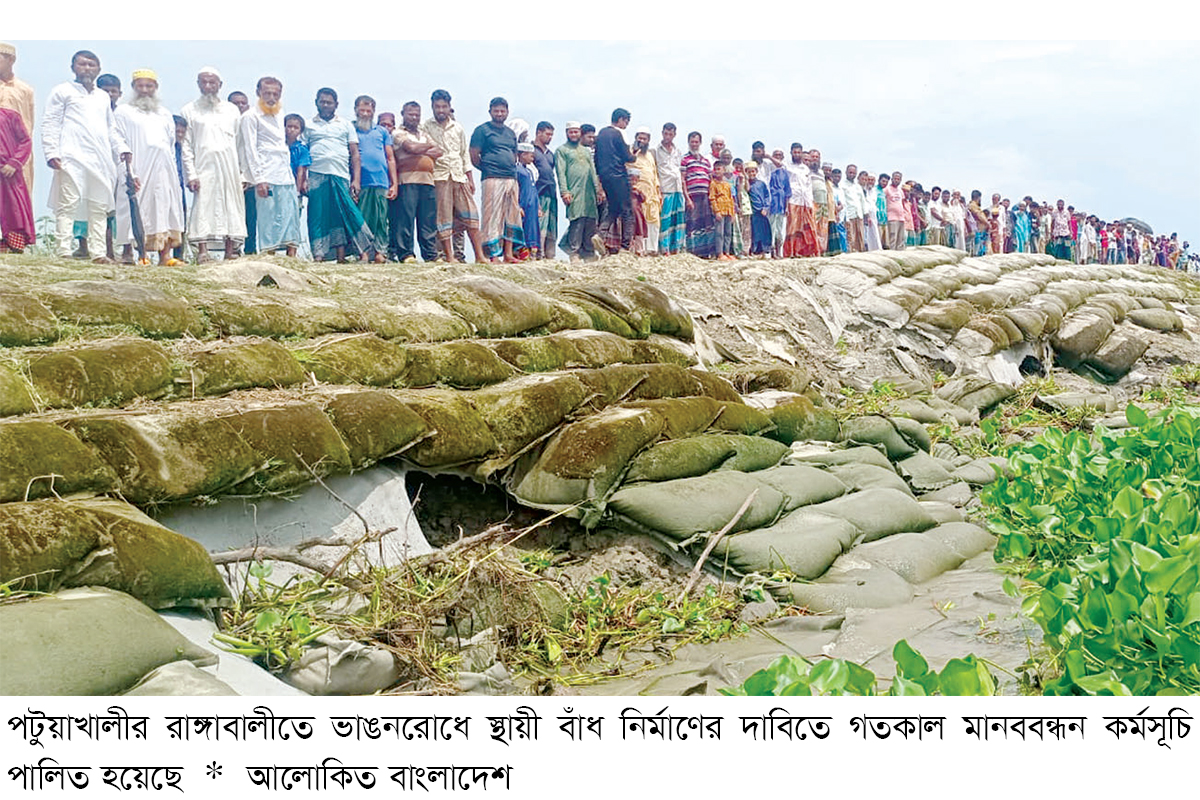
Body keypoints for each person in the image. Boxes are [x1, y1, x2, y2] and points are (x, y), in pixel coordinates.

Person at [42, 50, 130, 263]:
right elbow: (51, 121)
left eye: (92, 65)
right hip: (71, 157)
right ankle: (63, 250)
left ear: (99, 69)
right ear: (73, 67)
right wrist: (51, 151)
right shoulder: (62, 91)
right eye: (82, 64)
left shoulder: (102, 96)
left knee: (98, 206)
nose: (87, 68)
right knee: (68, 203)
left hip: (100, 160)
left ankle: (98, 253)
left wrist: (122, 148)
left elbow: (110, 128)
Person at [113, 69, 185, 265]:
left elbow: (170, 142)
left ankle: (165, 256)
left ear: (156, 87)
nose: (144, 90)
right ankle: (137, 255)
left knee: (165, 209)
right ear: (133, 87)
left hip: (164, 170)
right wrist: (128, 170)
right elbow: (117, 138)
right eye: (140, 86)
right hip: (138, 167)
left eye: (149, 86)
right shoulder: (124, 112)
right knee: (136, 210)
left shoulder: (164, 113)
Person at [180, 67, 246, 262]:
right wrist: (191, 174)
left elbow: (240, 144)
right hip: (203, 167)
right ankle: (202, 252)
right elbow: (186, 145)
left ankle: (230, 251)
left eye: (212, 83)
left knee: (230, 206)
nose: (208, 86)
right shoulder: (189, 110)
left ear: (220, 85)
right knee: (203, 206)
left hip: (229, 167)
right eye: (204, 82)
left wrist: (243, 174)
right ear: (198, 84)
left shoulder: (231, 110)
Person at [304, 87, 373, 262]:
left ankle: (361, 252)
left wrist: (356, 180)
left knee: (347, 213)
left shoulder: (345, 124)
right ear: (316, 103)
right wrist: (303, 179)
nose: (326, 105)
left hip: (340, 175)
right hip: (316, 175)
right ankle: (319, 256)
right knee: (317, 216)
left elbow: (355, 154)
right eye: (322, 102)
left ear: (336, 104)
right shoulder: (309, 125)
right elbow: (303, 153)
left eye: (329, 102)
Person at [240, 76, 300, 258]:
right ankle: (268, 255)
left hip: (285, 172)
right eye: (267, 93)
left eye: (276, 94)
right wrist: (259, 179)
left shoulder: (280, 113)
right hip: (266, 172)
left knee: (290, 215)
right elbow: (250, 149)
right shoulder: (250, 116)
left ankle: (292, 256)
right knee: (268, 218)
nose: (272, 98)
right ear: (258, 93)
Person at [422, 89, 484, 263]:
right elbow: (422, 148)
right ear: (432, 107)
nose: (441, 110)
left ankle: (480, 256)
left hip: (459, 176)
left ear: (449, 107)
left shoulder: (457, 127)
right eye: (437, 107)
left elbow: (464, 154)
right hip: (439, 176)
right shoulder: (425, 127)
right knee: (443, 217)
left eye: (444, 106)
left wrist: (470, 179)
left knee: (471, 215)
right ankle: (449, 256)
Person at [469, 97, 521, 263]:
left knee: (511, 216)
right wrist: (488, 168)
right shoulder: (482, 130)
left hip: (511, 178)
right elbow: (474, 155)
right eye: (496, 111)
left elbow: (514, 154)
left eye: (502, 111)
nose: (499, 114)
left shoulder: (510, 133)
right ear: (490, 112)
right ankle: (492, 255)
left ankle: (508, 254)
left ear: (507, 112)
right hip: (492, 177)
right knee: (492, 217)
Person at [391, 101, 440, 264]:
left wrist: (419, 148)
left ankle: (430, 255)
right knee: (405, 219)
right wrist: (425, 148)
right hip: (407, 180)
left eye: (417, 115)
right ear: (403, 114)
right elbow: (410, 147)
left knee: (428, 220)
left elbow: (439, 151)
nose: (414, 118)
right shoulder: (398, 133)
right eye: (410, 114)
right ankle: (406, 254)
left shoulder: (424, 134)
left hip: (428, 181)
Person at [352, 96, 396, 263]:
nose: (365, 114)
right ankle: (363, 254)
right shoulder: (351, 129)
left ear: (373, 112)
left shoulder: (381, 132)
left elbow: (390, 158)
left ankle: (380, 253)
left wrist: (394, 183)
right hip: (361, 182)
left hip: (381, 181)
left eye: (368, 111)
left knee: (381, 220)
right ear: (356, 110)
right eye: (362, 110)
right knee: (362, 219)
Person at [554, 120, 598, 262]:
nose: (574, 134)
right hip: (573, 191)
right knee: (577, 221)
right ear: (567, 133)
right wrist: (564, 191)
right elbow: (561, 172)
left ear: (580, 133)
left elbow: (592, 171)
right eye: (571, 132)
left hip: (589, 192)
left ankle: (589, 253)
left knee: (590, 221)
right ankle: (574, 253)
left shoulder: (586, 151)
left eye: (576, 132)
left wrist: (598, 190)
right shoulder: (562, 150)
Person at [595, 108, 635, 254]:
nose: (626, 126)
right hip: (619, 175)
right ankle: (625, 246)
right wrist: (635, 154)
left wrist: (600, 178)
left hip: (605, 177)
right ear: (620, 120)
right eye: (626, 122)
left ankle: (600, 234)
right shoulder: (619, 133)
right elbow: (627, 157)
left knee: (614, 208)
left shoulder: (601, 134)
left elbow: (596, 158)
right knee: (627, 210)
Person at [0, 42, 35, 201]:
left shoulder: (24, 90)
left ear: (11, 60)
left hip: (18, 154)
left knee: (18, 200)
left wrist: (18, 157)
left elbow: (29, 122)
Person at [0, 105, 34, 252]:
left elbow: (25, 141)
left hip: (8, 172)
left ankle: (13, 245)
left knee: (13, 209)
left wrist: (14, 162)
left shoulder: (10, 116)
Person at [681, 131, 716, 259]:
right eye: (692, 142)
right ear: (688, 142)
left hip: (705, 196)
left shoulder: (706, 161)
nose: (694, 144)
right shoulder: (685, 159)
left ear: (700, 143)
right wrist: (687, 199)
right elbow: (682, 179)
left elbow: (711, 179)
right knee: (693, 224)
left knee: (706, 225)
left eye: (696, 142)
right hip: (692, 196)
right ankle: (693, 252)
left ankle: (705, 253)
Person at [628, 126, 660, 256]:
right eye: (639, 138)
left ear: (648, 141)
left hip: (652, 193)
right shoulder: (630, 152)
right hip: (637, 193)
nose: (641, 141)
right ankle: (640, 249)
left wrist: (658, 191)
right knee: (639, 220)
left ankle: (652, 249)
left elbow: (654, 173)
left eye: (644, 139)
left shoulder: (650, 155)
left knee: (653, 220)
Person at [654, 123, 685, 255]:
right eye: (665, 134)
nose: (667, 136)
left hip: (678, 188)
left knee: (678, 219)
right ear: (662, 133)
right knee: (665, 220)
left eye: (670, 134)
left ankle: (676, 248)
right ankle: (664, 249)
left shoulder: (678, 151)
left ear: (674, 135)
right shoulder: (656, 151)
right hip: (665, 188)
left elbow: (680, 171)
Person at [782, 143, 816, 258]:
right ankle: (790, 251)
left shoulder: (805, 169)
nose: (796, 155)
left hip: (805, 202)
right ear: (791, 153)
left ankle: (802, 251)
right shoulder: (787, 166)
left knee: (804, 227)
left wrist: (810, 203)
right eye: (794, 152)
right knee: (792, 226)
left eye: (798, 152)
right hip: (793, 200)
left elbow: (808, 186)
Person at [531, 121, 557, 259]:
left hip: (551, 192)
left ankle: (549, 255)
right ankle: (537, 254)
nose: (550, 137)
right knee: (539, 224)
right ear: (538, 133)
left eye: (552, 135)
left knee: (551, 226)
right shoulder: (531, 150)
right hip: (538, 192)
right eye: (547, 134)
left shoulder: (550, 154)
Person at [515, 142, 540, 259]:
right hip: (523, 205)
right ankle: (520, 254)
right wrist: (517, 206)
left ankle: (531, 254)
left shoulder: (529, 171)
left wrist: (538, 206)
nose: (532, 157)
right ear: (523, 154)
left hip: (532, 206)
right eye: (530, 155)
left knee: (532, 229)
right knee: (523, 229)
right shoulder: (517, 170)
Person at [710, 161, 736, 260]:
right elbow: (712, 198)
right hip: (720, 211)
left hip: (728, 210)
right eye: (715, 169)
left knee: (728, 233)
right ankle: (719, 253)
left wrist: (732, 213)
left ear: (724, 170)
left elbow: (730, 198)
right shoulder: (713, 184)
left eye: (719, 169)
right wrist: (717, 211)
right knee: (719, 233)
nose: (717, 171)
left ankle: (727, 252)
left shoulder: (727, 184)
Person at [767, 150, 790, 258]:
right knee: (771, 227)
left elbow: (787, 191)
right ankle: (772, 251)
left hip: (781, 203)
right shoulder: (769, 170)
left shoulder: (784, 172)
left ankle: (779, 251)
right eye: (775, 155)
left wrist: (787, 206)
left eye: (780, 155)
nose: (777, 157)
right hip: (772, 201)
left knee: (780, 229)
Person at [746, 161, 770, 257]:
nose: (751, 174)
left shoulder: (761, 184)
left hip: (761, 211)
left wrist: (765, 208)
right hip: (752, 212)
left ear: (756, 172)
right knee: (753, 232)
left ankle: (764, 250)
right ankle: (753, 250)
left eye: (753, 171)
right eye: (749, 172)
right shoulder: (746, 184)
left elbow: (767, 196)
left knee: (763, 232)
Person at [842, 164, 865, 252]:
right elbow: (843, 201)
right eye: (850, 172)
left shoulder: (858, 186)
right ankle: (851, 253)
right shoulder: (842, 185)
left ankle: (861, 253)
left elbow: (862, 200)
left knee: (860, 236)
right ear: (846, 172)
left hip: (859, 214)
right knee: (851, 236)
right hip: (849, 214)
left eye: (854, 173)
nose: (852, 174)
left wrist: (865, 213)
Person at [883, 171, 906, 251]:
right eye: (895, 178)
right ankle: (891, 253)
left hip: (901, 218)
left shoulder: (900, 191)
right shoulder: (887, 189)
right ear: (892, 179)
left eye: (898, 179)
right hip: (892, 218)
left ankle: (900, 254)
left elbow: (902, 203)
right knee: (892, 238)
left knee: (900, 239)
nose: (896, 180)